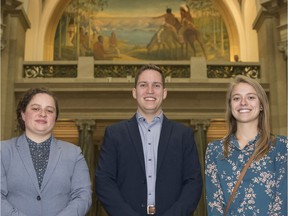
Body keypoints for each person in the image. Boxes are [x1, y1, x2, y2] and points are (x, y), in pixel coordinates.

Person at [95, 64, 203, 216]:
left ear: (164, 93)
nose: (150, 91)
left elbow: (193, 183)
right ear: (134, 92)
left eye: (156, 85)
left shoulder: (183, 135)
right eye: (143, 85)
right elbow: (104, 181)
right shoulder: (114, 134)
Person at [1, 88, 92, 216]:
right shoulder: (3, 151)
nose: (43, 114)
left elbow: (83, 196)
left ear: (55, 117)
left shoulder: (74, 154)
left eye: (49, 110)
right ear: (23, 114)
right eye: (35, 108)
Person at [205, 75, 287, 215]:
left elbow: (283, 201)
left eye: (251, 97)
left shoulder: (281, 147)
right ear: (230, 106)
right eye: (236, 98)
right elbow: (214, 204)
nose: (243, 102)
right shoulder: (214, 150)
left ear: (261, 105)